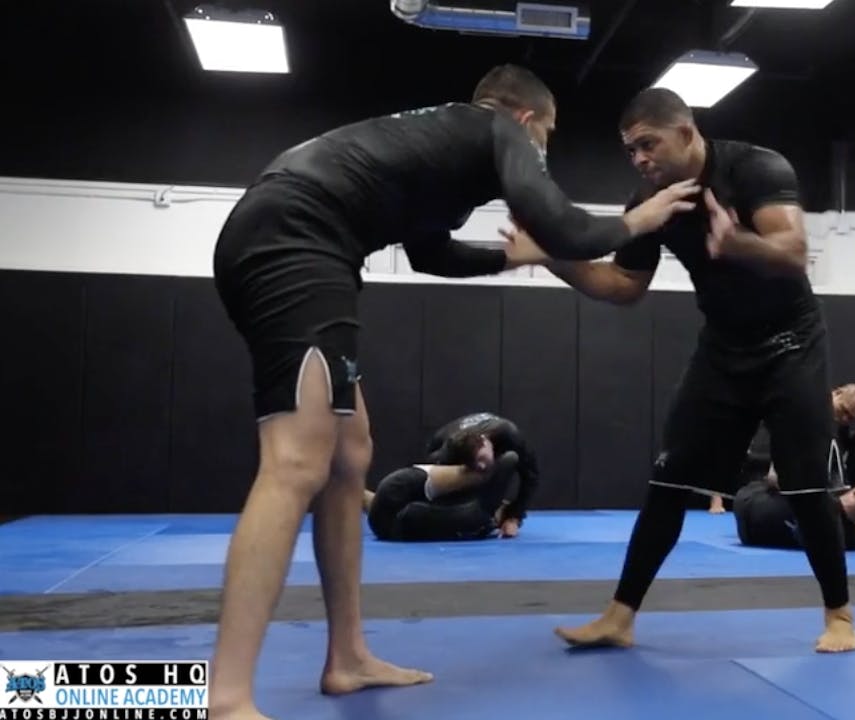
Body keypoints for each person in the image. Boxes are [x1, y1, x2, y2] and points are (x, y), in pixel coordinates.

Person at [208, 64, 700, 720]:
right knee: (295, 461)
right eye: (546, 137)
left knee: (350, 455)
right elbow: (569, 229)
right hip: (293, 241)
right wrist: (643, 217)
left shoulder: (437, 156)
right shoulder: (499, 129)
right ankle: (226, 696)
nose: (541, 152)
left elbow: (429, 255)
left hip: (296, 242)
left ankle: (347, 657)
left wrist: (516, 258)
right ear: (528, 119)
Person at [537, 87, 855, 653]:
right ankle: (619, 616)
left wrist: (735, 241)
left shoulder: (756, 168)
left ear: (685, 132)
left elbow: (791, 252)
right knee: (667, 482)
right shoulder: (652, 199)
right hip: (723, 349)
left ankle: (840, 617)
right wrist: (551, 259)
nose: (639, 159)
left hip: (792, 345)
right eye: (630, 150)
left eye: (647, 144)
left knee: (808, 486)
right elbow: (623, 285)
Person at [710, 381, 855, 514]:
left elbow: (841, 449)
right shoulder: (801, 403)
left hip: (792, 482)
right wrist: (716, 500)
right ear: (836, 393)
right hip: (758, 473)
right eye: (844, 411)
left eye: (851, 418)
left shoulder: (837, 427)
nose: (845, 419)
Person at [363, 412, 539, 541]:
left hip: (491, 446)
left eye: (483, 459)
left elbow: (531, 477)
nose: (482, 466)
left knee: (505, 464)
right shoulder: (447, 450)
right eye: (476, 463)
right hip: (441, 450)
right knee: (455, 497)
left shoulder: (510, 436)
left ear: (486, 441)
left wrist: (515, 516)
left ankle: (498, 511)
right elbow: (431, 484)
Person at [733, 474, 855, 551]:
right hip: (751, 537)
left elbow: (774, 478)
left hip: (747, 501)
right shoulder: (849, 537)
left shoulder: (815, 493)